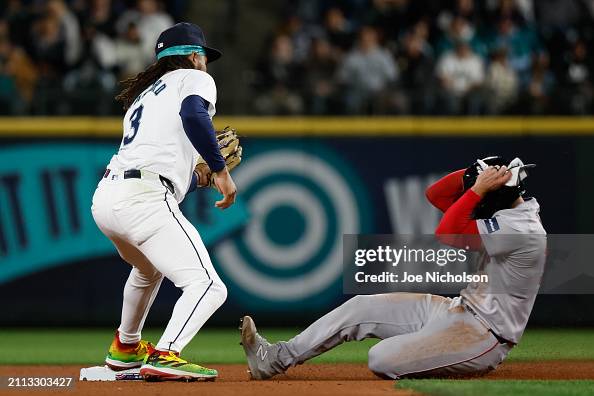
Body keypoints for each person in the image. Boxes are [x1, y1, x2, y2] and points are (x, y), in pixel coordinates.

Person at [240, 156, 546, 380]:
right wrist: (475, 171)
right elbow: (435, 195)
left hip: (484, 336)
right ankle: (274, 358)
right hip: (458, 310)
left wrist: (477, 188)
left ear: (495, 197)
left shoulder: (523, 230)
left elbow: (447, 232)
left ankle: (455, 359)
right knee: (359, 307)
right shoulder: (508, 208)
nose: (476, 197)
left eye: (483, 193)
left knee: (382, 359)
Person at [91, 22, 237, 381]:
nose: (206, 64)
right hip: (143, 199)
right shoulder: (195, 78)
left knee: (147, 269)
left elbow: (159, 158)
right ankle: (166, 354)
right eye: (204, 56)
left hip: (108, 199)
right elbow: (193, 114)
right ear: (191, 56)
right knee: (208, 286)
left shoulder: (144, 96)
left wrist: (198, 174)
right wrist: (219, 170)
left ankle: (125, 348)